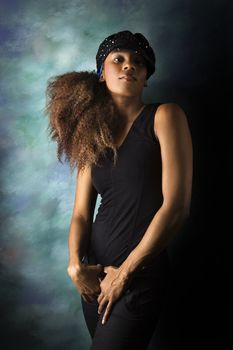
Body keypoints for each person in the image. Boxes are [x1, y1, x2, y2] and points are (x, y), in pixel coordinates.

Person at [45, 30, 193, 349]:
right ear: (102, 74)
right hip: (95, 280)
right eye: (119, 59)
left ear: (146, 79)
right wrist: (76, 266)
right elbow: (82, 214)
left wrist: (124, 274)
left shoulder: (165, 116)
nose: (129, 66)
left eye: (138, 62)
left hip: (138, 276)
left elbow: (177, 206)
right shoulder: (93, 134)